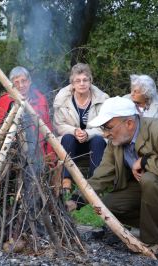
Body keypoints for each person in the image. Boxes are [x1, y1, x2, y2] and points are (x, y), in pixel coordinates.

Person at [69, 96, 158, 254]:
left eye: (108, 127)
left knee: (150, 179)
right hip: (145, 187)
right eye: (103, 128)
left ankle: (157, 241)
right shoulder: (116, 142)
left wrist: (144, 162)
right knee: (107, 205)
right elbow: (102, 175)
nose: (105, 134)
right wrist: (76, 200)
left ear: (129, 123)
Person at [53, 63, 109, 192]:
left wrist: (88, 133)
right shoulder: (62, 99)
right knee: (67, 138)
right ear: (72, 84)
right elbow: (58, 125)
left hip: (94, 141)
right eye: (77, 81)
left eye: (85, 80)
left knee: (98, 141)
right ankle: (66, 180)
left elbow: (106, 127)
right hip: (72, 142)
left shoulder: (102, 99)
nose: (82, 83)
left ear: (90, 81)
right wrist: (74, 131)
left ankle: (93, 183)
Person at [0, 66, 54, 160]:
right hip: (8, 151)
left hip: (36, 150)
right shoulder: (3, 101)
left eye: (24, 81)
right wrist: (4, 138)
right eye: (16, 82)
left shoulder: (39, 99)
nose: (21, 85)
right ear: (11, 84)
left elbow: (48, 130)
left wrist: (50, 157)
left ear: (29, 81)